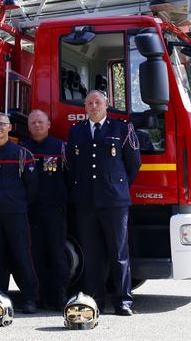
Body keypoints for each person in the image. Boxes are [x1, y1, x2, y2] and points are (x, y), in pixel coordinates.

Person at [67, 90, 141, 316]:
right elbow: (72, 165)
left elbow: (133, 164)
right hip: (86, 202)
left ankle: (123, 301)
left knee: (118, 253)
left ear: (106, 105)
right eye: (89, 103)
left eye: (97, 102)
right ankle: (96, 300)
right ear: (85, 107)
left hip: (114, 202)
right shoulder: (76, 131)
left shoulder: (121, 128)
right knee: (92, 254)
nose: (93, 106)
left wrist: (117, 187)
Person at [0, 112, 39, 314]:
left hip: (16, 215)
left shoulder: (22, 155)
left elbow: (32, 189)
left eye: (2, 124)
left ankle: (30, 298)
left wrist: (17, 205)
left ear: (9, 127)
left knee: (22, 256)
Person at [21, 109, 69, 310]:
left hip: (54, 210)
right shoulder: (23, 150)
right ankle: (39, 297)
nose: (37, 126)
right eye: (33, 123)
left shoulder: (60, 148)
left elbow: (70, 178)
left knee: (57, 254)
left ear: (49, 124)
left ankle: (59, 297)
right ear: (28, 126)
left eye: (41, 122)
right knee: (36, 256)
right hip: (31, 211)